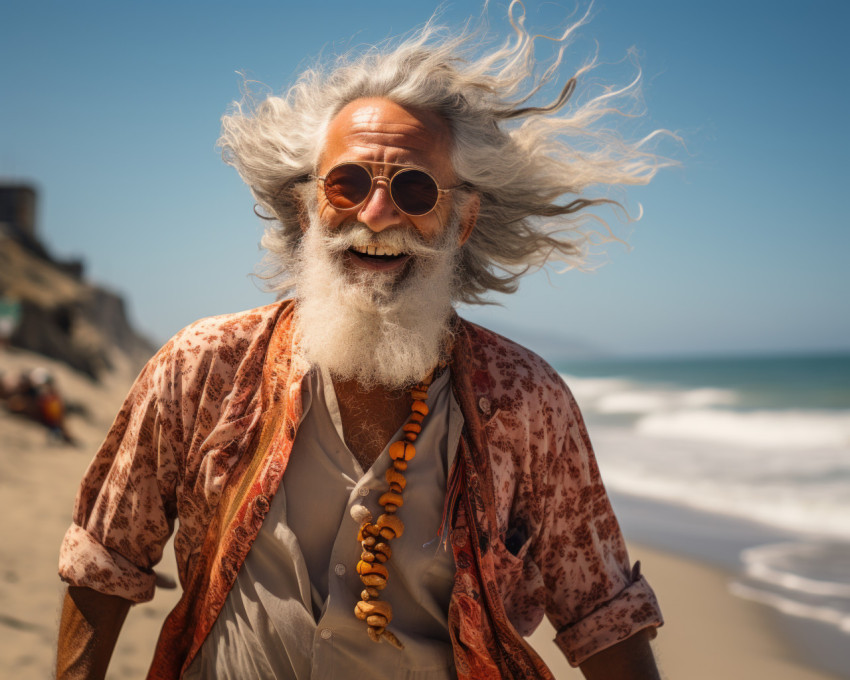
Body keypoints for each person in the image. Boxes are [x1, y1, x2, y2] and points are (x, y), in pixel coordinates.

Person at [57, 5, 669, 679]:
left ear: (461, 221)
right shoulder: (202, 365)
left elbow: (604, 616)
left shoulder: (527, 402)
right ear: (306, 206)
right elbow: (105, 560)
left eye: (413, 189)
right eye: (347, 184)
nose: (376, 218)